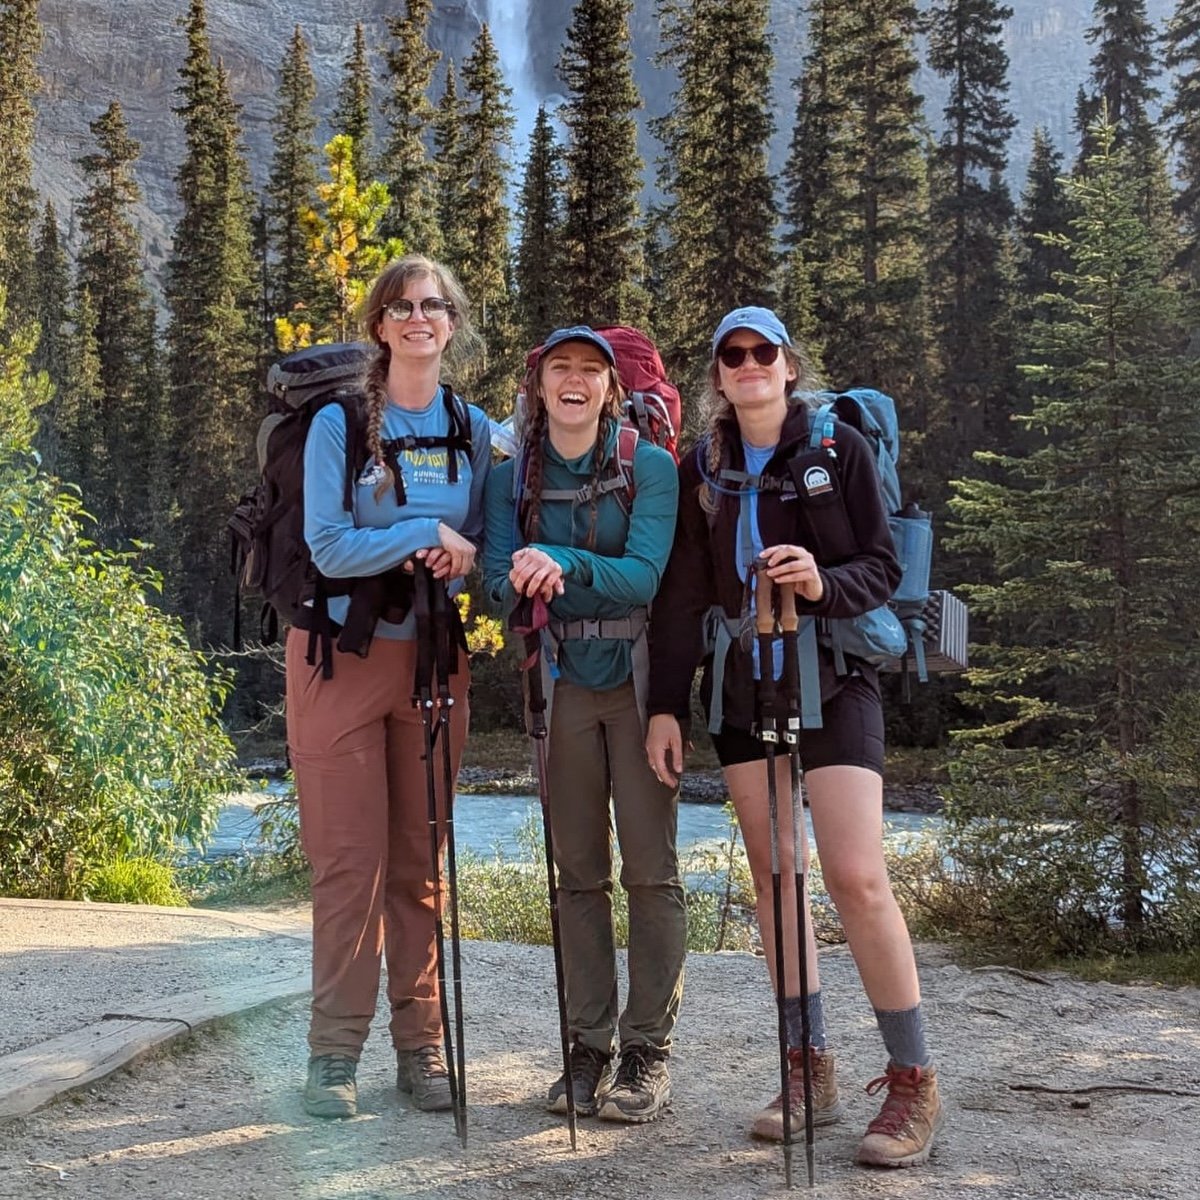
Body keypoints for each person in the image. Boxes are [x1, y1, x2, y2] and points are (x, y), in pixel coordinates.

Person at [645, 307, 944, 1167]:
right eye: (730, 355)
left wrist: (820, 578)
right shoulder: (703, 467)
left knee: (856, 876)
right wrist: (667, 704)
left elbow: (882, 567)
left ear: (787, 366)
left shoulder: (835, 451)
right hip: (743, 681)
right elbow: (682, 598)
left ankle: (915, 1078)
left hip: (835, 675)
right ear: (717, 375)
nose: (747, 365)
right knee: (778, 875)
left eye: (761, 352)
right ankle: (807, 1066)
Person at [287, 254, 492, 1119]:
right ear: (379, 325)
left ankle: (424, 1050)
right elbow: (328, 545)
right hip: (338, 659)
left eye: (433, 306)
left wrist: (463, 548)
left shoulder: (475, 428)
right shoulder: (341, 424)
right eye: (401, 307)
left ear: (451, 324)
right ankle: (333, 1058)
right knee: (348, 868)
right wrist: (422, 531)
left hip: (433, 663)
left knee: (420, 866)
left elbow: (480, 537)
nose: (418, 318)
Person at [483, 326, 685, 1124]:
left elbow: (643, 579)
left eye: (589, 372)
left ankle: (646, 1051)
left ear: (611, 389)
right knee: (577, 877)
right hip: (558, 687)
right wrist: (525, 573)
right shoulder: (511, 481)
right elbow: (498, 586)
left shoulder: (652, 467)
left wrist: (564, 566)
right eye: (559, 369)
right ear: (537, 388)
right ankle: (585, 1046)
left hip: (636, 691)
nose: (574, 381)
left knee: (651, 871)